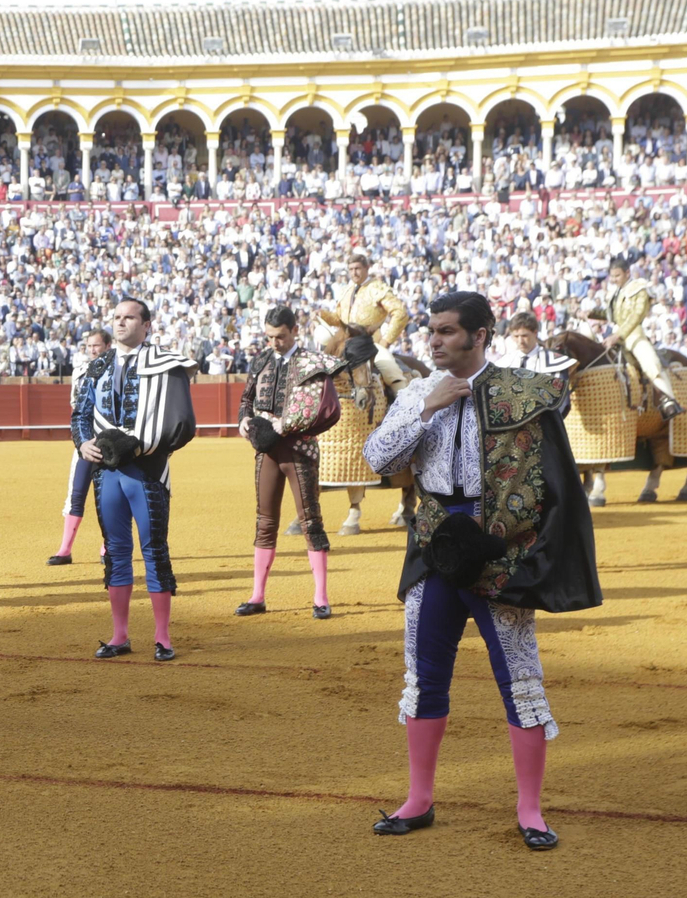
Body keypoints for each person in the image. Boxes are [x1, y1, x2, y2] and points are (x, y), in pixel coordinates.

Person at [363, 291, 601, 850]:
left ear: (480, 335)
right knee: (423, 678)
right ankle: (418, 799)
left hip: (499, 550)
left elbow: (548, 480)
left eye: (447, 331)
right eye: (432, 330)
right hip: (434, 546)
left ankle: (530, 809)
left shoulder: (524, 392)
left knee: (521, 681)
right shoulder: (418, 392)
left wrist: (516, 538)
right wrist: (428, 408)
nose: (435, 340)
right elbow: (378, 459)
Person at [71, 298, 196, 662]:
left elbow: (181, 424)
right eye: (117, 317)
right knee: (115, 550)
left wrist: (142, 446)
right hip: (107, 472)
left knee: (154, 549)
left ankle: (163, 637)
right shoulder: (98, 365)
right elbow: (80, 413)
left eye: (129, 317)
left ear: (146, 325)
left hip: (147, 470)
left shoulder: (166, 364)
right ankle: (120, 635)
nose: (121, 323)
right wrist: (83, 443)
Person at [235, 306, 343, 619]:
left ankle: (321, 597)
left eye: (280, 336)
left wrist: (285, 425)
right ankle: (257, 596)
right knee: (265, 521)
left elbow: (326, 409)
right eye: (270, 337)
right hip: (267, 451)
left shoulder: (311, 362)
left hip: (299, 450)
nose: (274, 343)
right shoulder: (261, 360)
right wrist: (243, 420)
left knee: (311, 521)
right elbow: (246, 399)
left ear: (295, 331)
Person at [587, 258, 685, 418]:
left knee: (650, 361)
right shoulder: (616, 293)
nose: (614, 280)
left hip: (634, 335)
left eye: (617, 276)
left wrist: (617, 335)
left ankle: (668, 399)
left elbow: (636, 315)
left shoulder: (639, 289)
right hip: (615, 334)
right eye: (612, 276)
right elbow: (613, 315)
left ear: (627, 273)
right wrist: (591, 313)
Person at [48, 329, 110, 566]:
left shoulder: (118, 370)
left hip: (109, 442)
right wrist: (81, 439)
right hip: (85, 442)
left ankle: (108, 548)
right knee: (76, 494)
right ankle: (65, 550)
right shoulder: (80, 371)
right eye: (89, 346)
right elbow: (76, 407)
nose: (92, 350)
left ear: (107, 346)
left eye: (97, 345)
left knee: (109, 497)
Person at [318, 251, 410, 389]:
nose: (354, 273)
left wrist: (386, 340)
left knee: (391, 371)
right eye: (351, 269)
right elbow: (340, 319)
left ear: (367, 268)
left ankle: (403, 400)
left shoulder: (378, 288)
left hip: (370, 342)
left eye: (357, 268)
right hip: (345, 342)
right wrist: (322, 315)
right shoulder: (347, 290)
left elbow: (400, 313)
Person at [495, 312, 575, 414]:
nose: (520, 341)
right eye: (516, 336)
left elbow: (562, 403)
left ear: (535, 333)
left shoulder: (555, 362)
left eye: (524, 336)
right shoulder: (504, 363)